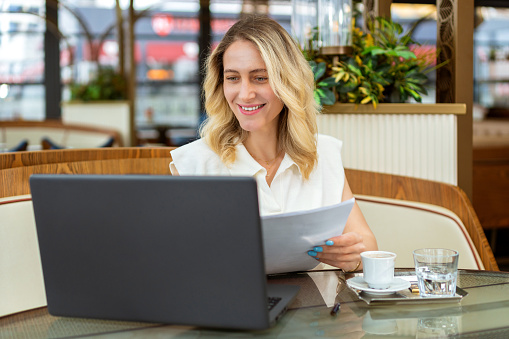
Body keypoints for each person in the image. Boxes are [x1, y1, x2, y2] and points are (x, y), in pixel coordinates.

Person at [170, 14, 377, 271]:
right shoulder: (193, 164)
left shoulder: (323, 152)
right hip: (229, 305)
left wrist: (353, 257)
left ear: (287, 81)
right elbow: (178, 262)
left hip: (317, 307)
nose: (245, 94)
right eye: (233, 78)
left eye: (260, 77)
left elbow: (367, 244)